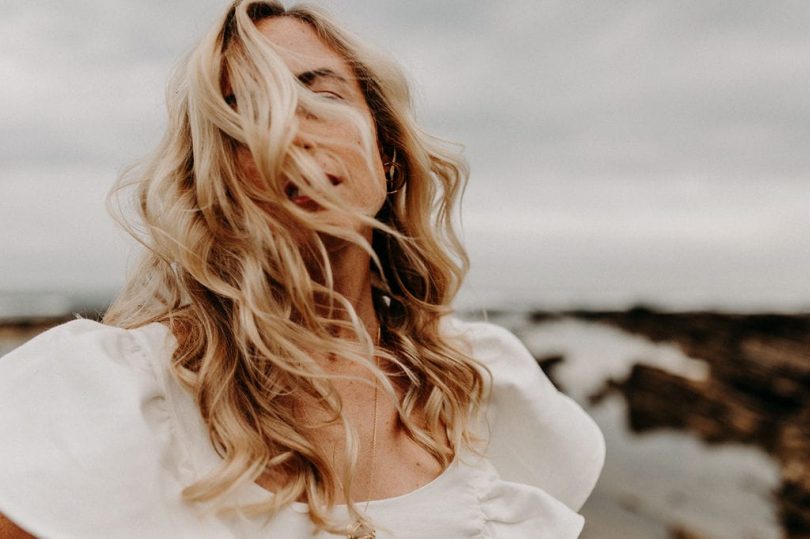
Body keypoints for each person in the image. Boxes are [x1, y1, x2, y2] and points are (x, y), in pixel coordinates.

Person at [0, 1, 605, 537]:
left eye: (322, 94)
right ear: (213, 183)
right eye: (242, 113)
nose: (287, 130)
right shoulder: (119, 395)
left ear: (387, 153)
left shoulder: (482, 389)